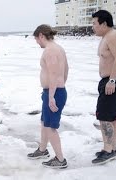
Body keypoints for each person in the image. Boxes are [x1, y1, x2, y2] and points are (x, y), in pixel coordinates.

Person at [27, 25, 69, 169]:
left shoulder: (50, 51)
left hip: (54, 93)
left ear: (41, 36)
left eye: (36, 39)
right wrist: (58, 88)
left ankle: (60, 159)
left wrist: (52, 96)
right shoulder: (59, 48)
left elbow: (53, 75)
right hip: (56, 91)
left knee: (50, 127)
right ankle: (42, 150)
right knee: (45, 122)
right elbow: (65, 71)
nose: (37, 42)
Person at [91, 10, 116, 165]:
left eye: (94, 23)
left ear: (104, 23)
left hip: (114, 81)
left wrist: (112, 81)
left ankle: (108, 151)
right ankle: (112, 149)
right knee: (112, 118)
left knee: (105, 116)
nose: (92, 26)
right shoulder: (107, 37)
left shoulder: (114, 36)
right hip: (111, 81)